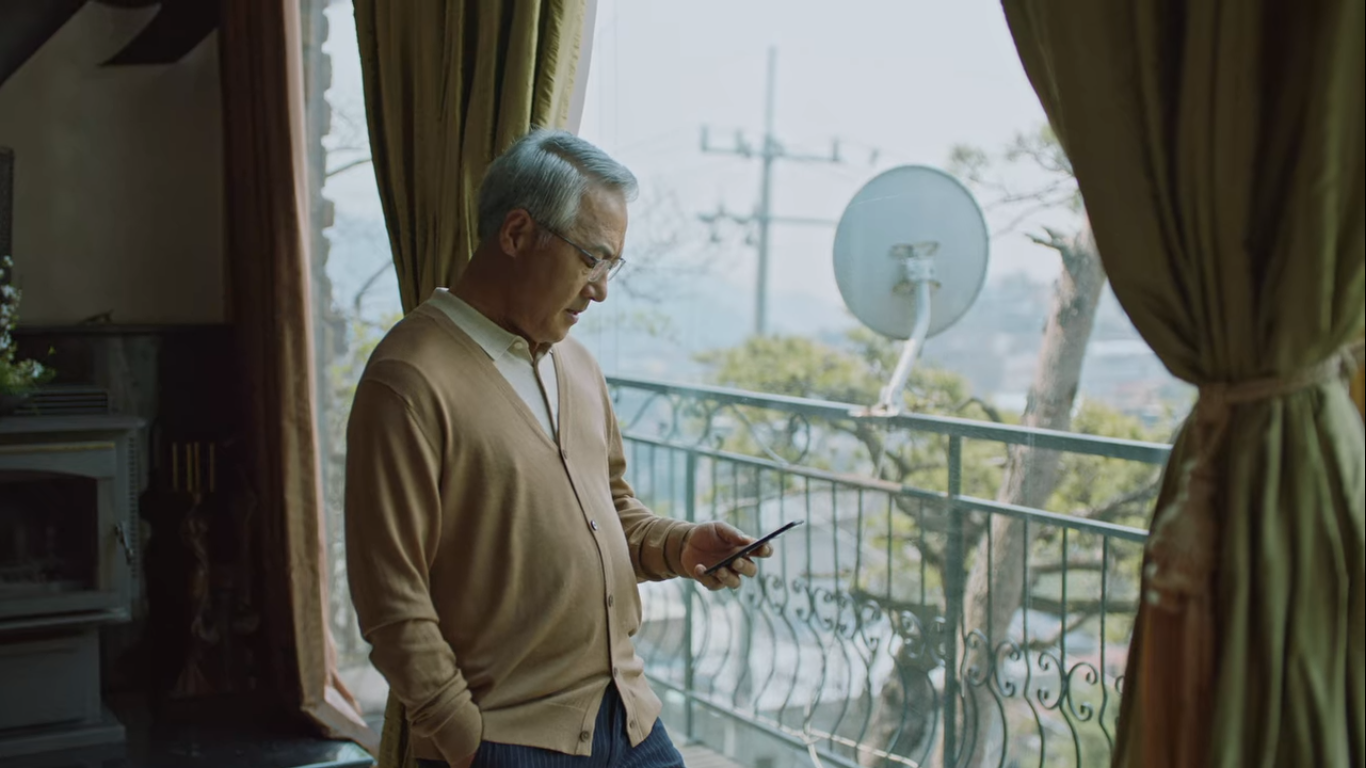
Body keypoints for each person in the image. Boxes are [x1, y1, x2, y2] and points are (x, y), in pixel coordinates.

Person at [344, 128, 772, 768]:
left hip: (629, 719)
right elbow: (390, 598)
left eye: (611, 265)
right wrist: (466, 740)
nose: (600, 288)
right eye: (591, 258)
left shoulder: (577, 365)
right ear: (517, 234)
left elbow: (612, 510)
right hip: (505, 740)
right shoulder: (408, 380)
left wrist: (680, 546)